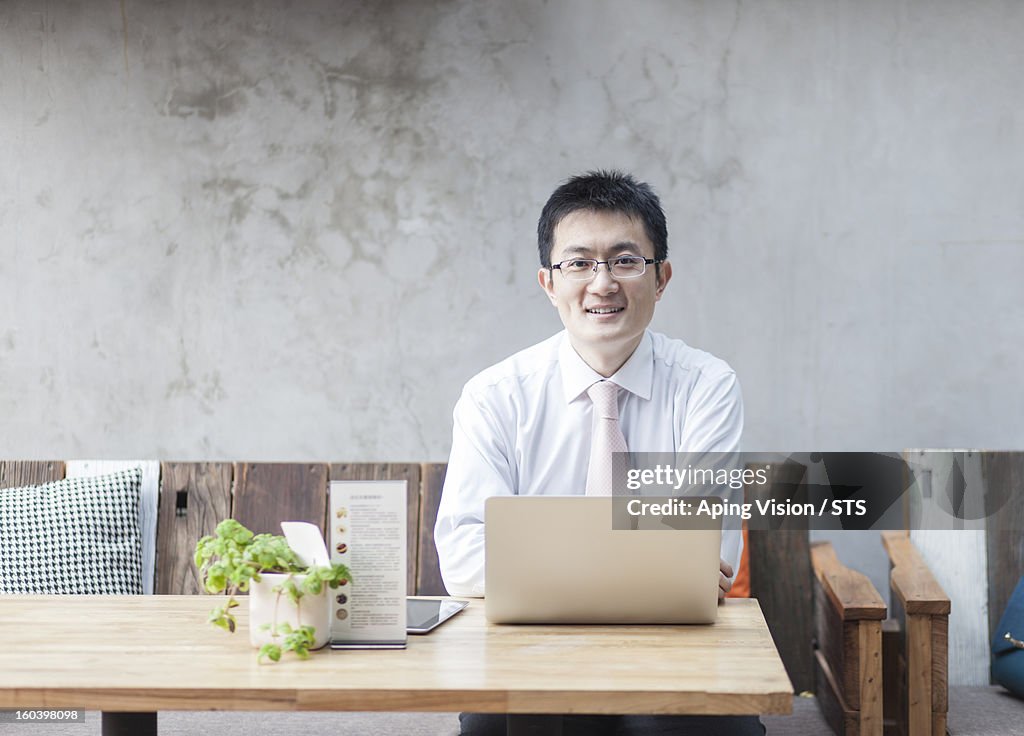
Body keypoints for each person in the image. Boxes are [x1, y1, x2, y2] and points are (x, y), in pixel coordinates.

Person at [434, 170, 763, 736]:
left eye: (625, 260)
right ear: (548, 283)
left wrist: (539, 570)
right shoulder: (495, 397)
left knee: (696, 726)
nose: (602, 282)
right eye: (579, 262)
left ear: (661, 278)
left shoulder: (706, 386)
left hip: (675, 651)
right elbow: (464, 559)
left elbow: (708, 554)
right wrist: (647, 572)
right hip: (529, 653)